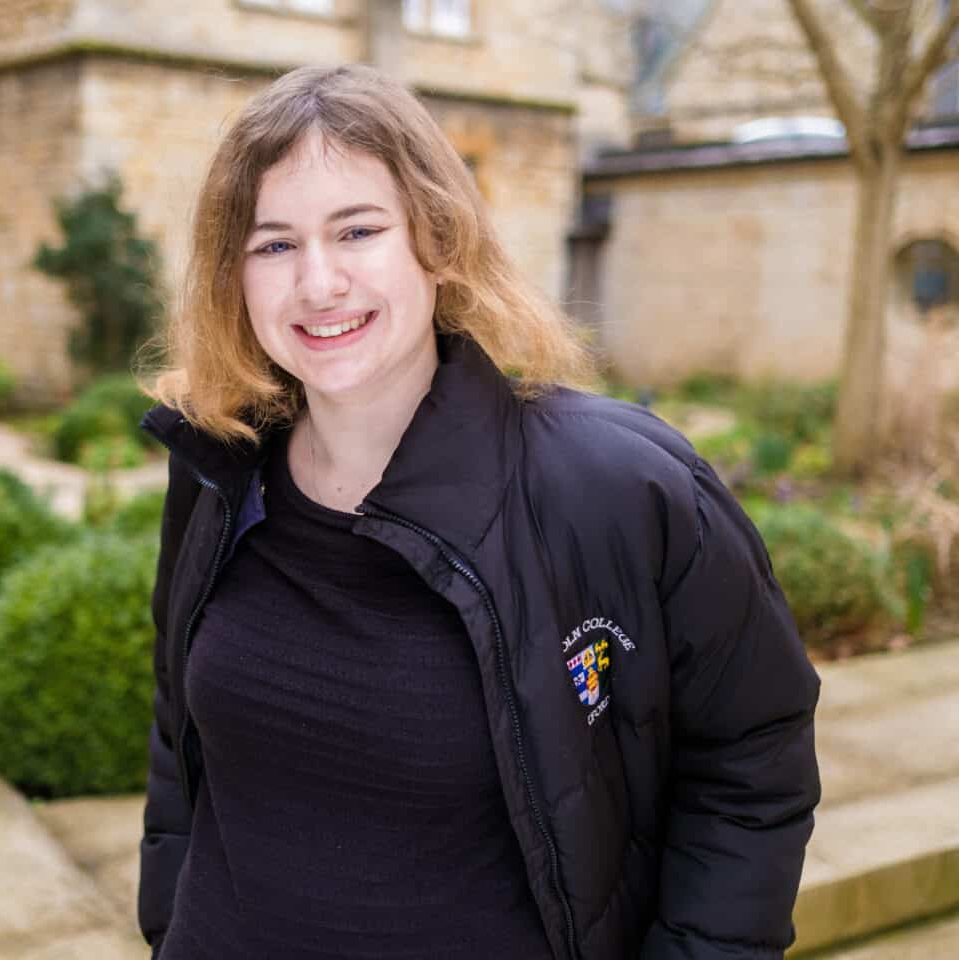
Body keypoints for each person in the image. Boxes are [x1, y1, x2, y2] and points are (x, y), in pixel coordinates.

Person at [137, 64, 820, 960]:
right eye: (273, 245)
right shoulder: (218, 466)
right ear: (234, 276)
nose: (319, 282)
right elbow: (176, 736)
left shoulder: (618, 487)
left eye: (358, 230)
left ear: (437, 238)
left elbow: (749, 765)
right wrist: (168, 924)